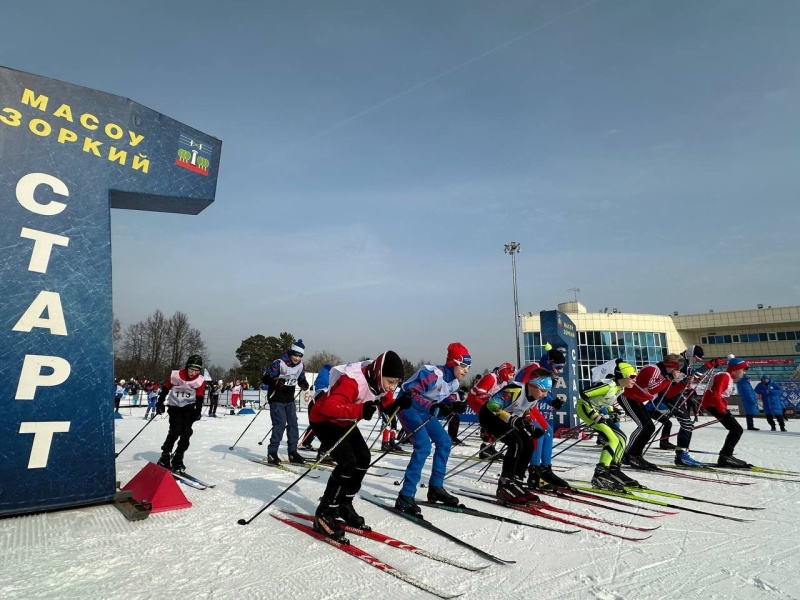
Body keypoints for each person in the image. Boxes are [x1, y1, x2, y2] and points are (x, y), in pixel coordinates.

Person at [309, 351, 407, 541]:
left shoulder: (379, 381)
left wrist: (398, 405)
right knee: (347, 461)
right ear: (379, 373)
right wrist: (360, 409)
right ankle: (324, 514)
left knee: (363, 458)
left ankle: (344, 505)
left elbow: (385, 402)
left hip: (345, 420)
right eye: (390, 382)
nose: (392, 387)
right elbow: (329, 406)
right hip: (324, 419)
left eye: (395, 383)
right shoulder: (352, 381)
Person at [395, 342, 471, 516]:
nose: (466, 370)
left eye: (468, 367)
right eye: (463, 365)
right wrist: (431, 406)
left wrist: (454, 404)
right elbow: (409, 392)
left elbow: (445, 397)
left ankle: (436, 487)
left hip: (424, 411)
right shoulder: (432, 373)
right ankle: (405, 495)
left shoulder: (453, 383)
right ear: (452, 363)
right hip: (409, 408)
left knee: (444, 441)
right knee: (423, 446)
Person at [480, 372, 551, 503]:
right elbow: (492, 406)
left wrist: (531, 427)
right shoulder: (516, 389)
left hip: (508, 419)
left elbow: (525, 411)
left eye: (547, 392)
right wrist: (512, 419)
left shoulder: (534, 397)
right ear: (534, 385)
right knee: (516, 443)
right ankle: (505, 482)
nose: (544, 395)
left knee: (529, 444)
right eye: (543, 390)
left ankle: (516, 480)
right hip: (489, 416)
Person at [578, 360, 642, 491]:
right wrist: (592, 414)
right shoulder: (608, 385)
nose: (634, 380)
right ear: (623, 376)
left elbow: (606, 400)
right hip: (585, 409)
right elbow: (584, 394)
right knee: (612, 439)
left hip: (598, 411)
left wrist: (612, 412)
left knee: (622, 438)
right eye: (632, 377)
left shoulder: (619, 388)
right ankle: (600, 473)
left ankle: (614, 469)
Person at [517, 347, 571, 490]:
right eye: (558, 367)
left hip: (529, 406)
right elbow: (519, 387)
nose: (558, 371)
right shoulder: (533, 368)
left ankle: (545, 470)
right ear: (548, 362)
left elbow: (541, 391)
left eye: (561, 368)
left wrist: (552, 401)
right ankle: (534, 475)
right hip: (519, 406)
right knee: (538, 433)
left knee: (549, 431)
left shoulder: (544, 373)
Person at [619, 354, 685, 471]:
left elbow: (668, 393)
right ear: (670, 365)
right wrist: (669, 378)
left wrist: (682, 384)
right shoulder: (653, 369)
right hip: (629, 397)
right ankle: (629, 454)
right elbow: (652, 388)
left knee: (649, 427)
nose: (678, 371)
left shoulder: (664, 375)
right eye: (677, 368)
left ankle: (636, 454)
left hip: (638, 400)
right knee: (643, 426)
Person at [262, 339, 310, 465]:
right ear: (290, 353)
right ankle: (272, 453)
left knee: (293, 424)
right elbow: (266, 377)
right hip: (276, 398)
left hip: (289, 399)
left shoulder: (300, 365)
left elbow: (301, 377)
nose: (297, 358)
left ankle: (292, 452)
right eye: (295, 355)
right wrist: (275, 381)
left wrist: (303, 383)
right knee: (280, 424)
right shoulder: (280, 363)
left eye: (299, 356)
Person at [156, 354, 206, 472]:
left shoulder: (200, 380)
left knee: (187, 433)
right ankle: (165, 455)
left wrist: (198, 411)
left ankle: (178, 457)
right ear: (187, 367)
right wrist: (160, 403)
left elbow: (199, 397)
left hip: (188, 408)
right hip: (175, 407)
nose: (193, 373)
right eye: (191, 369)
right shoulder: (175, 375)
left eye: (197, 370)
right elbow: (165, 389)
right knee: (175, 431)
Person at [699, 357, 752, 467]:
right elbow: (716, 394)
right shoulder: (724, 376)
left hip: (715, 405)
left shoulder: (728, 377)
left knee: (735, 429)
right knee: (736, 429)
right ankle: (725, 456)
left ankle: (726, 456)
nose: (744, 372)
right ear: (735, 369)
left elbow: (719, 395)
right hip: (713, 405)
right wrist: (722, 410)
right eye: (743, 369)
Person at [466, 362, 516, 459]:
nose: (511, 377)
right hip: (475, 400)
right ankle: (485, 448)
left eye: (512, 375)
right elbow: (479, 394)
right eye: (510, 374)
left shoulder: (505, 382)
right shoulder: (491, 377)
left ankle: (490, 446)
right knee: (492, 417)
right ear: (504, 372)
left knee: (500, 418)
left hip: (487, 402)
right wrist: (493, 399)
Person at [300, 364, 331, 450]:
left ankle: (306, 442)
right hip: (316, 406)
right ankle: (309, 444)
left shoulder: (321, 378)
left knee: (315, 426)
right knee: (318, 426)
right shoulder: (325, 382)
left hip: (314, 405)